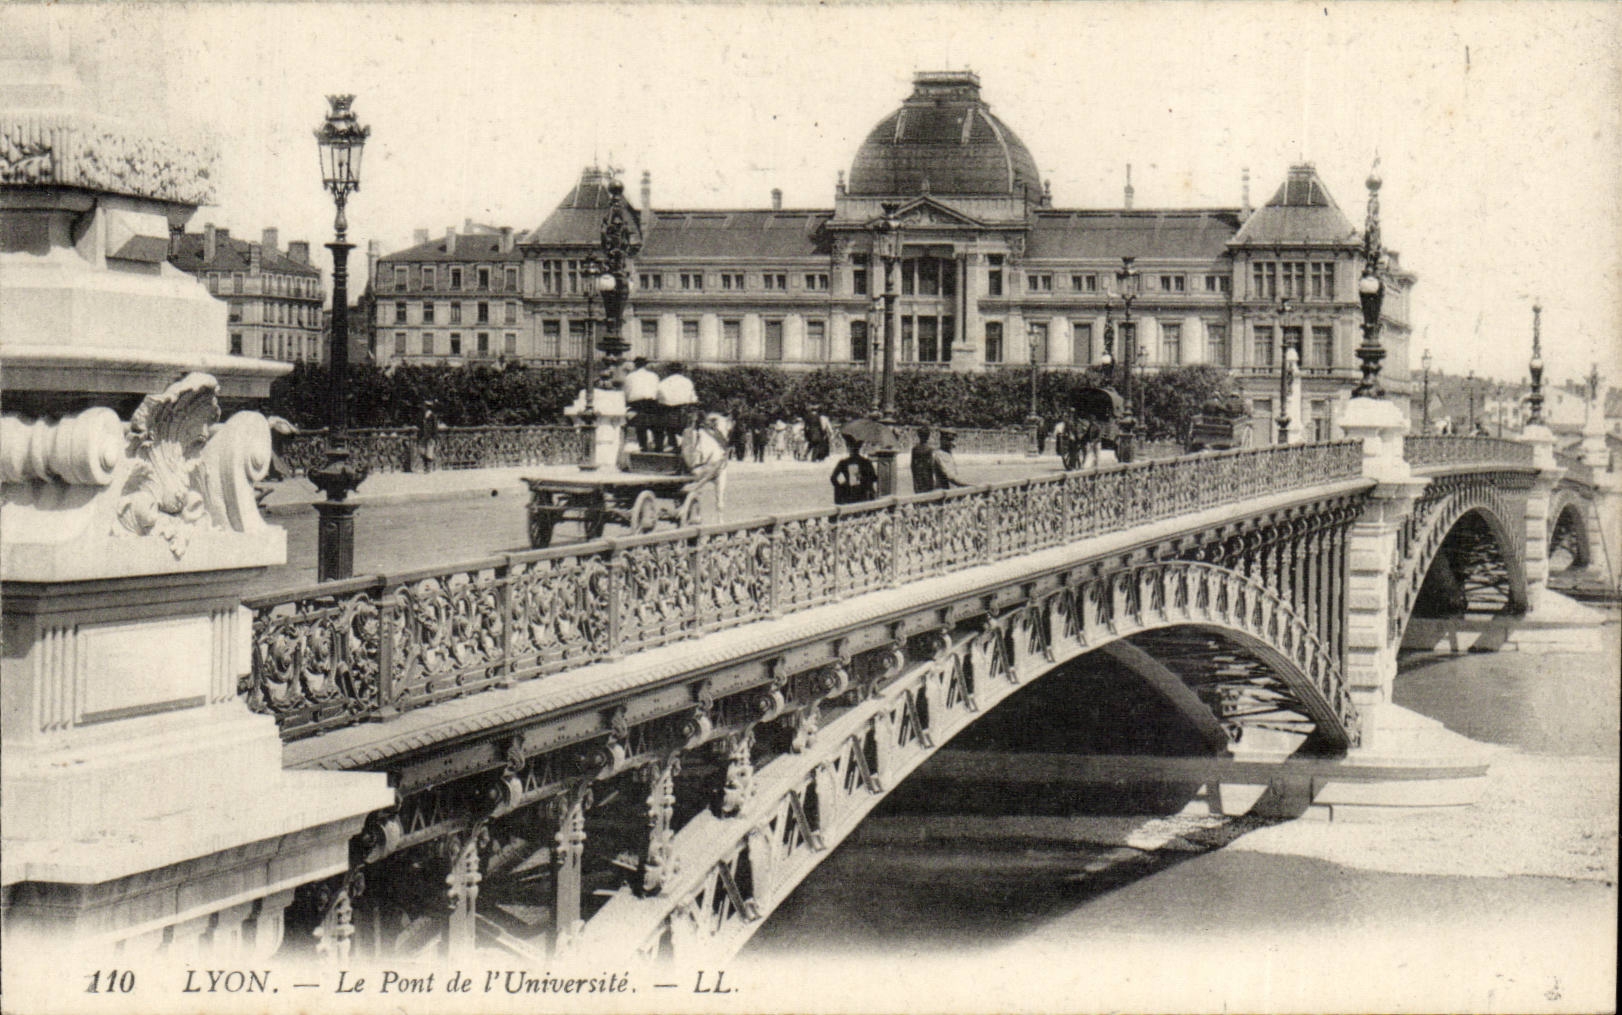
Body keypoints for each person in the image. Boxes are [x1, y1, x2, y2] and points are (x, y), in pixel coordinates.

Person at [679, 409, 730, 519]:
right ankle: (719, 517)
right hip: (708, 466)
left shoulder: (689, 431)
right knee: (719, 490)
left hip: (692, 463)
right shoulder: (702, 434)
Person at [655, 365, 697, 452]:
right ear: (681, 371)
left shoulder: (663, 382)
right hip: (682, 411)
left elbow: (658, 399)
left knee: (668, 427)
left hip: (667, 411)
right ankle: (682, 446)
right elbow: (693, 399)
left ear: (669, 371)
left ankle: (671, 444)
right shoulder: (687, 381)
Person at [624, 356, 662, 452]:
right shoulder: (654, 376)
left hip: (636, 404)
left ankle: (643, 446)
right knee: (656, 425)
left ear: (635, 365)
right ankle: (658, 446)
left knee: (640, 426)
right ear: (645, 365)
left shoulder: (629, 377)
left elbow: (626, 393)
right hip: (651, 403)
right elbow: (657, 391)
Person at [830, 434, 880, 505]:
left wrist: (842, 488)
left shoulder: (843, 463)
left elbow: (833, 478)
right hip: (863, 496)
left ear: (848, 448)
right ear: (859, 448)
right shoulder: (865, 462)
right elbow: (874, 478)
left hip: (848, 496)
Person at [910, 424, 938, 494]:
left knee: (918, 492)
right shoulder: (929, 449)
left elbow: (912, 464)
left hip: (918, 473)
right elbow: (931, 464)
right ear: (928, 437)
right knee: (928, 493)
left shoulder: (915, 449)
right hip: (927, 474)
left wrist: (914, 475)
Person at [417, 402, 440, 473]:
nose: (423, 408)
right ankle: (426, 465)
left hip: (430, 436)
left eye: (425, 406)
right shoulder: (422, 415)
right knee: (422, 451)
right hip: (423, 435)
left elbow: (435, 427)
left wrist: (434, 437)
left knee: (429, 451)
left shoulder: (432, 416)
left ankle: (428, 467)